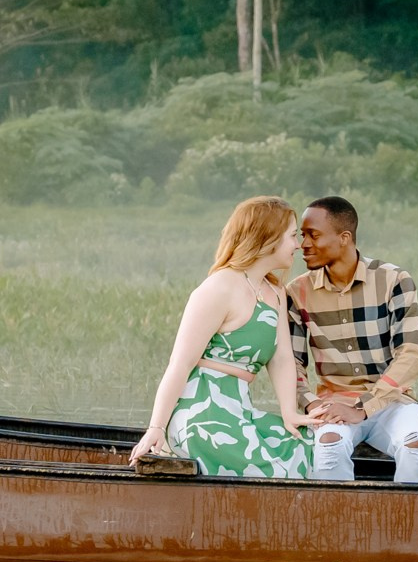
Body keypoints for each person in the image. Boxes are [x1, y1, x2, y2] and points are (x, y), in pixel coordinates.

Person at [128, 196, 324, 477]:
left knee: (314, 444)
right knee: (272, 470)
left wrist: (290, 412)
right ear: (267, 239)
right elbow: (180, 364)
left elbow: (281, 358)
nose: (297, 245)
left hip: (240, 411)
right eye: (292, 236)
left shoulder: (275, 293)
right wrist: (155, 428)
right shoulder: (219, 288)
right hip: (202, 415)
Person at [287, 195, 418, 483]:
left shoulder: (393, 280)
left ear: (344, 238)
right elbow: (291, 364)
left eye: (313, 235)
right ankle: (333, 527)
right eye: (302, 235)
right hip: (332, 404)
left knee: (417, 447)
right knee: (328, 446)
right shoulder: (297, 292)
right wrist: (310, 404)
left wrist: (363, 407)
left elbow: (411, 354)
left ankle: (408, 527)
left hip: (391, 402)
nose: (302, 244)